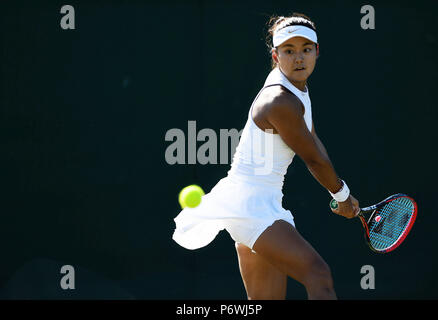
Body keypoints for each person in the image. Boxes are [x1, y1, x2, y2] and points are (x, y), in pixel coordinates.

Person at [172, 12, 360, 300]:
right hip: (250, 205)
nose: (299, 58)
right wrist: (342, 194)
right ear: (275, 55)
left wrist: (343, 194)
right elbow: (313, 158)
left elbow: (313, 141)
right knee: (317, 274)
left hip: (259, 202)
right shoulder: (279, 101)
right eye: (289, 51)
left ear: (317, 52)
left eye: (306, 50)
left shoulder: (297, 89)